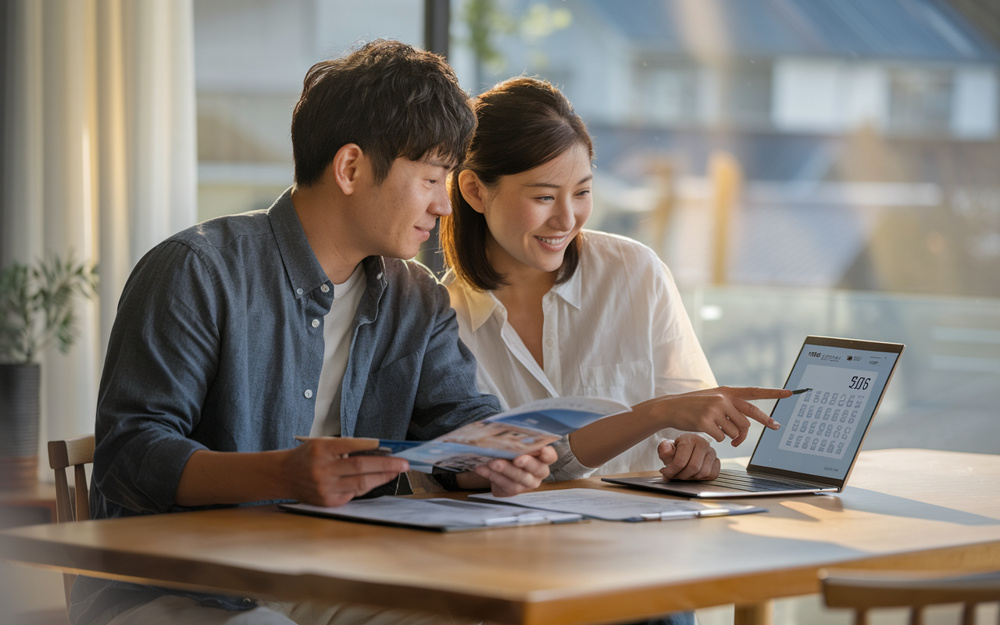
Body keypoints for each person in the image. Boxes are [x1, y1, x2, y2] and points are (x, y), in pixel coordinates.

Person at [73, 42, 556, 625]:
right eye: (431, 178)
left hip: (339, 577)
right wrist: (285, 474)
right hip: (178, 588)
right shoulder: (196, 270)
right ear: (350, 168)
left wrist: (491, 461)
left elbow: (458, 422)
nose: (445, 207)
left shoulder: (416, 297)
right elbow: (130, 452)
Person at [440, 76, 791, 483]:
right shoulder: (440, 317)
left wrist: (693, 450)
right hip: (512, 543)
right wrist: (653, 413)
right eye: (544, 197)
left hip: (639, 536)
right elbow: (461, 469)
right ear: (475, 191)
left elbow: (687, 416)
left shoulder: (635, 272)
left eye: (582, 192)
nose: (566, 219)